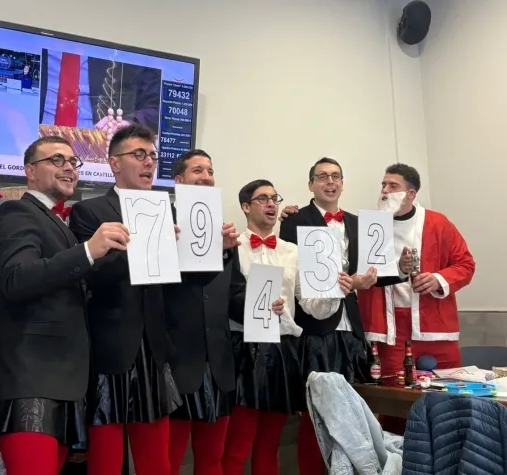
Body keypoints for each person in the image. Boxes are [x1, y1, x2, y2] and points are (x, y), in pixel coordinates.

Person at [0, 136, 130, 475]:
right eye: (57, 160)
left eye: (73, 162)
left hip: (62, 380)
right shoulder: (15, 211)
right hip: (28, 379)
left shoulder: (59, 224)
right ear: (30, 171)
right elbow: (16, 278)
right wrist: (88, 251)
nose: (69, 167)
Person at [278, 157, 408, 474]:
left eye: (336, 176)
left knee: (352, 412)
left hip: (351, 328)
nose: (330, 182)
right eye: (322, 176)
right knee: (316, 414)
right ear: (311, 184)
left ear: (342, 183)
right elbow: (294, 274)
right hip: (315, 327)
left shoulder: (357, 222)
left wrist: (401, 270)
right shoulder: (295, 220)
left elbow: (372, 271)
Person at [68, 124, 182, 475]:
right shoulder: (89, 212)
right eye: (139, 155)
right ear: (114, 163)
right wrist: (143, 245)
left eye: (153, 156)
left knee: (157, 463)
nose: (149, 163)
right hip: (110, 348)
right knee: (106, 461)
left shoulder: (166, 210)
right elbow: (90, 275)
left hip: (154, 349)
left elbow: (174, 284)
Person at [222, 179, 352, 475]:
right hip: (244, 350)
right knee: (237, 446)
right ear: (245, 207)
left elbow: (309, 304)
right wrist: (256, 307)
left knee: (271, 444)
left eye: (274, 198)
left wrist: (334, 292)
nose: (271, 204)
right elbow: (225, 298)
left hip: (283, 349)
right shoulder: (232, 246)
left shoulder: (292, 251)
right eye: (262, 198)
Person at [358, 163, 475, 432]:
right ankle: (399, 455)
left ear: (411, 193)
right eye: (383, 185)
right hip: (390, 328)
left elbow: (466, 265)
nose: (385, 190)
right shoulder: (369, 227)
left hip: (434, 324)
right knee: (396, 403)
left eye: (393, 185)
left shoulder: (439, 224)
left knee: (450, 399)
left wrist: (438, 279)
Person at [164, 149, 245, 475]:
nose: (207, 177)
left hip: (219, 364)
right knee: (167, 461)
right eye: (198, 170)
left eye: (210, 171)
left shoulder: (224, 231)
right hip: (177, 362)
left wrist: (264, 305)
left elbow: (234, 293)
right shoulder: (162, 225)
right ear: (179, 180)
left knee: (212, 461)